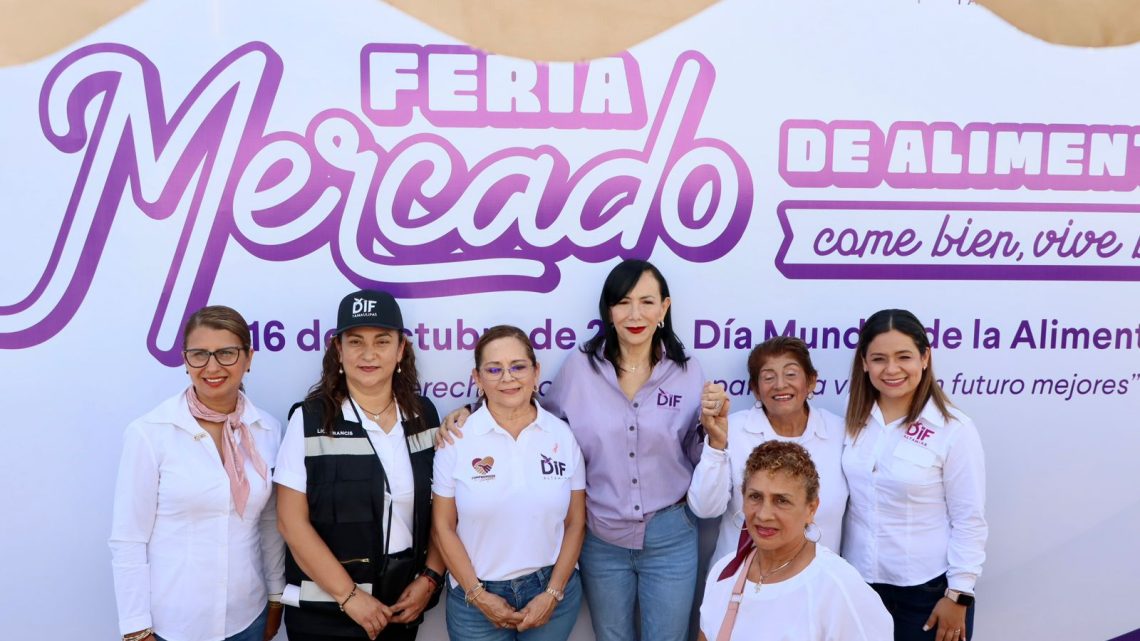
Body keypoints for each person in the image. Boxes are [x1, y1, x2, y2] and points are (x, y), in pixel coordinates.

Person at [439, 259, 725, 641]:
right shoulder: (580, 367)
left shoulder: (688, 371)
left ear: (664, 309)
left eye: (646, 302)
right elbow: (536, 417)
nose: (635, 314)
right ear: (609, 310)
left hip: (670, 533)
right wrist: (470, 413)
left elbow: (691, 449)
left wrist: (712, 432)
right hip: (602, 536)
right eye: (623, 302)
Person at [274, 290, 445, 641]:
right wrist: (350, 597)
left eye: (382, 341)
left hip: (399, 610)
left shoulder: (423, 415)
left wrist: (430, 579)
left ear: (400, 350)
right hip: (325, 616)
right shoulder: (308, 419)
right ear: (339, 350)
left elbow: (443, 508)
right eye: (356, 342)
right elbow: (291, 523)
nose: (369, 354)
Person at [110, 305, 285, 641]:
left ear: (248, 358)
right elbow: (128, 538)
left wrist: (276, 596)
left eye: (226, 353)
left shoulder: (267, 429)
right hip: (172, 626)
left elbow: (268, 523)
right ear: (185, 360)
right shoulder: (151, 432)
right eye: (199, 354)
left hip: (247, 618)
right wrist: (135, 627)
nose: (212, 366)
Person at [433, 325, 587, 640]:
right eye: (494, 369)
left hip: (551, 591)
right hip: (474, 597)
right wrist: (477, 595)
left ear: (535, 372)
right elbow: (442, 528)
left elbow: (575, 523)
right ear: (476, 378)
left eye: (518, 366)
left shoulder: (562, 435)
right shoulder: (457, 440)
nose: (508, 377)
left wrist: (553, 593)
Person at [842, 309, 987, 641]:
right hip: (859, 587)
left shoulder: (954, 429)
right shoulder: (854, 420)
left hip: (928, 593)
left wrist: (959, 593)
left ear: (925, 357)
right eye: (879, 358)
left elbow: (969, 518)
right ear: (864, 363)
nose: (891, 369)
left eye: (903, 356)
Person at [698, 441, 892, 641]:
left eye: (782, 500)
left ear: (811, 509)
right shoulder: (724, 572)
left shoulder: (839, 588)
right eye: (755, 496)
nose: (764, 515)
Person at [688, 336, 848, 563]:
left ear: (811, 382)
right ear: (755, 389)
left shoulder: (840, 432)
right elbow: (705, 509)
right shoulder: (732, 428)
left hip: (817, 583)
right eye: (768, 377)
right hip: (743, 580)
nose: (780, 384)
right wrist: (716, 444)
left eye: (791, 374)